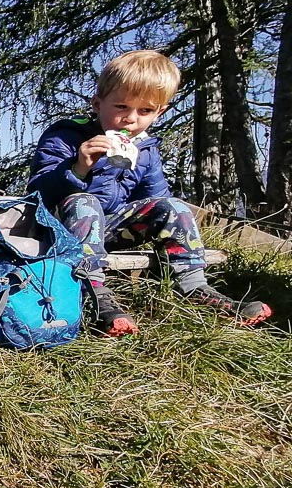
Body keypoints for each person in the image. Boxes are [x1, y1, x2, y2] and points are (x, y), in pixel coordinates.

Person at [27, 50, 271, 337]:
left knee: (172, 206)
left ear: (160, 112)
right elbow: (38, 195)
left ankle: (194, 286)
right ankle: (92, 294)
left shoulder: (146, 150)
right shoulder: (66, 136)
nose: (130, 119)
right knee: (84, 201)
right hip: (59, 229)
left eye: (144, 111)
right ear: (97, 103)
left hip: (109, 229)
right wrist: (78, 168)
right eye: (121, 107)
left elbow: (154, 201)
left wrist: (163, 215)